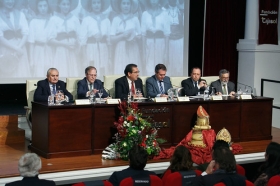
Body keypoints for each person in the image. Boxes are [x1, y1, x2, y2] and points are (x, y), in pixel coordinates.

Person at [48, 0, 80, 77]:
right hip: (61, 50)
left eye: (67, 4)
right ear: (59, 5)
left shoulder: (74, 19)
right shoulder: (54, 19)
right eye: (63, 4)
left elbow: (79, 36)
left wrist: (76, 45)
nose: (66, 7)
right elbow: (50, 39)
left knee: (73, 71)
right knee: (62, 70)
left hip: (72, 50)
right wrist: (65, 44)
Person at [0, 0, 30, 77]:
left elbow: (25, 34)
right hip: (7, 47)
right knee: (8, 72)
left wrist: (19, 48)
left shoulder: (20, 14)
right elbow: (1, 37)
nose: (10, 2)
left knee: (21, 72)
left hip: (20, 48)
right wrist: (15, 49)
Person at [79, 0, 110, 75]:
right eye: (94, 3)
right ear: (91, 5)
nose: (96, 5)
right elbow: (83, 40)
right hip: (91, 48)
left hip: (103, 48)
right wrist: (84, 56)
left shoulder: (106, 20)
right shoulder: (87, 20)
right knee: (92, 68)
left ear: (101, 4)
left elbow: (109, 40)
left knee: (103, 69)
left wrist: (110, 57)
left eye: (98, 3)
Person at [110, 0, 141, 74]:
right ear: (120, 5)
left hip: (132, 47)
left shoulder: (135, 19)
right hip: (121, 48)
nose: (126, 6)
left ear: (131, 5)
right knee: (121, 68)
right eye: (124, 4)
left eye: (128, 4)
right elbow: (112, 38)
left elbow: (139, 35)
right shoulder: (116, 19)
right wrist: (122, 36)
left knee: (132, 70)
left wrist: (133, 36)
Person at [141, 0, 170, 75]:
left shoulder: (164, 14)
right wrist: (143, 52)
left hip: (160, 43)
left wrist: (166, 52)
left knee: (161, 66)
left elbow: (167, 34)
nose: (153, 1)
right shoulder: (145, 14)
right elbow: (143, 34)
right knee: (149, 66)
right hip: (149, 43)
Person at [28, 0, 53, 77]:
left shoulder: (52, 20)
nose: (43, 8)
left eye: (45, 6)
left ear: (48, 7)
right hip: (38, 50)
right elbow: (31, 42)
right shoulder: (33, 22)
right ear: (37, 7)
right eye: (40, 6)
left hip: (49, 50)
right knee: (39, 72)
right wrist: (31, 60)